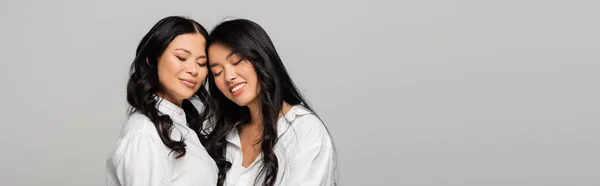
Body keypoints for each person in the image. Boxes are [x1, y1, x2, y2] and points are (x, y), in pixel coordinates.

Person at [204, 19, 337, 186]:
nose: (228, 76)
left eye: (237, 61)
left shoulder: (304, 130)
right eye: (217, 72)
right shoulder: (225, 136)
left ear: (261, 58)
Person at [106, 16, 218, 186]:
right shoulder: (145, 133)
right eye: (181, 57)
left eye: (202, 63)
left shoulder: (181, 126)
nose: (193, 70)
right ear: (151, 59)